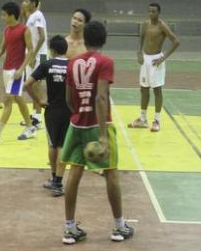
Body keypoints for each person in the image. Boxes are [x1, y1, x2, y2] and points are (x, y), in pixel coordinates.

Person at [61, 21, 133, 245]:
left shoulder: (72, 63)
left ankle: (70, 229)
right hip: (98, 124)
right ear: (105, 39)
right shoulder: (105, 62)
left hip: (77, 124)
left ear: (84, 38)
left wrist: (78, 115)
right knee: (111, 172)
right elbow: (101, 97)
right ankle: (119, 227)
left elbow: (68, 99)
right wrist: (102, 134)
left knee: (74, 173)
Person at [0, 2, 37, 144]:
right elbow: (1, 50)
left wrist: (22, 69)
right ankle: (30, 127)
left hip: (16, 71)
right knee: (18, 99)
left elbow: (30, 50)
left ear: (12, 15)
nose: (3, 17)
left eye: (5, 15)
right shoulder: (7, 30)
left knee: (8, 100)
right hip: (6, 69)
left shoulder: (24, 30)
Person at [24, 35, 69, 197]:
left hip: (52, 110)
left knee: (52, 145)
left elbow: (27, 85)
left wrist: (39, 101)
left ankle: (53, 179)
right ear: (65, 49)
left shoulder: (47, 65)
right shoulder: (72, 65)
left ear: (52, 50)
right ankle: (58, 181)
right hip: (69, 111)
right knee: (62, 145)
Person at [128, 2, 180, 132]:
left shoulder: (162, 26)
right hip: (145, 60)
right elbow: (141, 38)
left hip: (156, 61)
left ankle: (157, 120)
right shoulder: (145, 24)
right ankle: (143, 119)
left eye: (154, 11)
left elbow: (176, 41)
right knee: (143, 89)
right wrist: (139, 53)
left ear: (158, 12)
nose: (151, 14)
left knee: (157, 90)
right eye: (149, 11)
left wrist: (163, 58)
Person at [21, 0, 47, 129]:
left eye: (26, 1)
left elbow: (42, 37)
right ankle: (34, 116)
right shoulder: (31, 16)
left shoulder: (37, 16)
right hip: (32, 55)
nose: (24, 3)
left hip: (39, 55)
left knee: (36, 86)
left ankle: (38, 118)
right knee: (31, 85)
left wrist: (33, 56)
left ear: (33, 3)